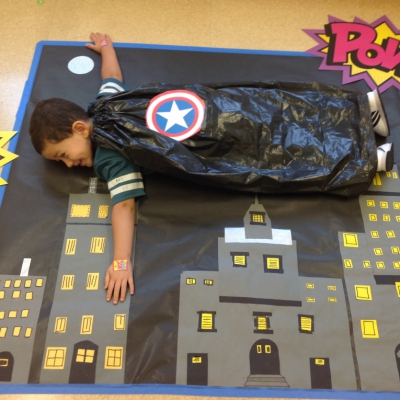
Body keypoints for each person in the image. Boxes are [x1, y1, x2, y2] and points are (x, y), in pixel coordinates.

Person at [29, 33, 394, 304]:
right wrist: (107, 48)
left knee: (274, 159)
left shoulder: (111, 156)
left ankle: (367, 160)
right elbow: (111, 76)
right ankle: (361, 108)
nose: (69, 165)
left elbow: (122, 205)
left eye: (63, 154)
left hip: (216, 144)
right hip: (222, 107)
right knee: (275, 110)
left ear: (80, 129)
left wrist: (120, 262)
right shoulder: (105, 103)